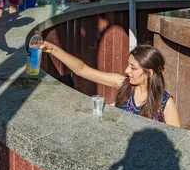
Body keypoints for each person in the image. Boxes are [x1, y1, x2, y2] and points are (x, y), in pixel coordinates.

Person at [40, 42, 180, 126]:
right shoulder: (124, 84)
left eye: (133, 67)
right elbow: (82, 70)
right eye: (128, 65)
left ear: (149, 73)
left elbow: (178, 142)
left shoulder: (165, 103)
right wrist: (52, 49)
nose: (126, 70)